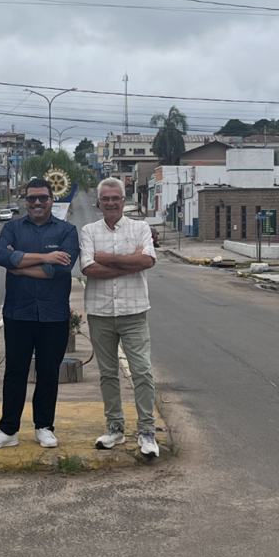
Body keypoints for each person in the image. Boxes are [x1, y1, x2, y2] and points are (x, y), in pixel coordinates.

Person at [0, 177, 80, 450]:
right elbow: (2, 257)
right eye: (32, 198)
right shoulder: (12, 228)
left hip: (54, 314)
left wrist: (20, 265)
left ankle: (44, 427)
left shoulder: (67, 231)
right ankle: (7, 430)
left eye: (42, 198)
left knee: (48, 373)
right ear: (26, 200)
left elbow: (61, 269)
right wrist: (46, 257)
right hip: (18, 312)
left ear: (51, 200)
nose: (37, 202)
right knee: (15, 372)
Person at [79, 177, 161, 457]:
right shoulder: (89, 231)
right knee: (107, 374)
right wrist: (129, 263)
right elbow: (88, 268)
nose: (111, 203)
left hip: (133, 312)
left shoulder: (140, 228)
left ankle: (147, 431)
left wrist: (107, 258)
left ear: (124, 201)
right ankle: (115, 427)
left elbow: (147, 260)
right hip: (100, 313)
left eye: (116, 198)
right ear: (99, 202)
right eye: (106, 199)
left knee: (142, 372)